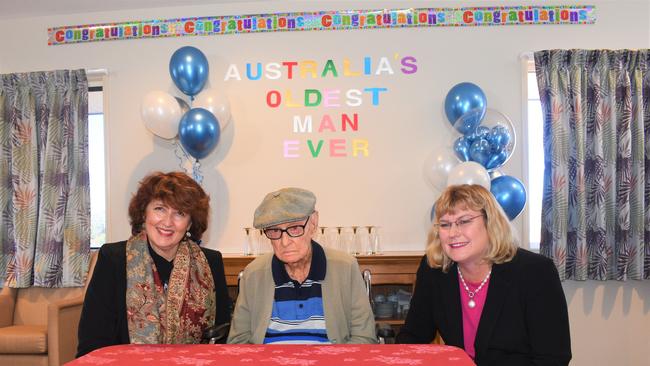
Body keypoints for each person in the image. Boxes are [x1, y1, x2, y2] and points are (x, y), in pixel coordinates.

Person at [396, 184, 571, 365]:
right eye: (445, 224)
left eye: (464, 221)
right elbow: (413, 336)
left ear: (490, 223)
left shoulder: (535, 272)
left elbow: (553, 358)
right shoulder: (434, 270)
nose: (453, 233)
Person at [77, 171, 231, 357]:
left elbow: (223, 339)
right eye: (160, 209)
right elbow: (92, 341)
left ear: (189, 224)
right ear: (144, 213)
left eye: (179, 213)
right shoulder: (113, 259)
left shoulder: (211, 262)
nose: (167, 222)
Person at [227, 187, 376, 344]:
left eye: (295, 228)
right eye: (274, 231)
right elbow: (238, 342)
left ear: (313, 223)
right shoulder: (254, 273)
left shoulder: (345, 268)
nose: (285, 242)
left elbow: (364, 338)